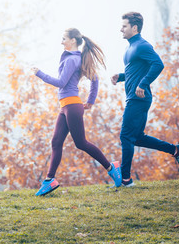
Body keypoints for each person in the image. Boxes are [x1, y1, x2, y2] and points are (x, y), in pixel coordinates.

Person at [32, 28, 122, 196]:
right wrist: (90, 101)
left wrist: (39, 74)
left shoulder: (73, 60)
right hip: (66, 106)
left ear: (73, 40)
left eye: (64, 38)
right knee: (56, 142)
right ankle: (49, 180)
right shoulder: (76, 59)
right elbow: (94, 80)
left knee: (81, 143)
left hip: (72, 106)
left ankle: (112, 168)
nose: (61, 42)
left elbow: (61, 82)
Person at [111, 12, 179, 187]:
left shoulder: (142, 45)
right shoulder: (130, 47)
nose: (120, 29)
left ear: (134, 27)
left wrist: (143, 84)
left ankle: (125, 179)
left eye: (124, 26)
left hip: (139, 98)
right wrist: (121, 76)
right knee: (136, 137)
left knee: (125, 136)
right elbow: (135, 71)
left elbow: (158, 64)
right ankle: (175, 150)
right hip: (134, 97)